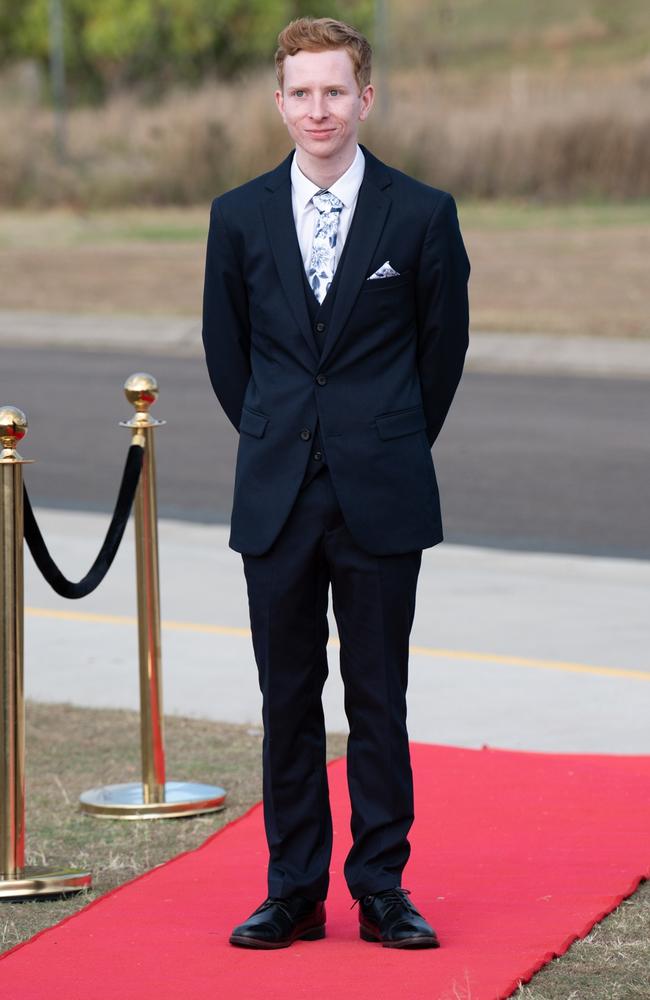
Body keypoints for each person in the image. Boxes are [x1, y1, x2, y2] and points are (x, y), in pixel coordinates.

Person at [202, 16, 470, 950]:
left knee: (378, 699)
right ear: (279, 103)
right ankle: (293, 890)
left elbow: (442, 354)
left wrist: (383, 440)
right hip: (276, 490)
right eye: (301, 92)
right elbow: (227, 354)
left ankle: (382, 889)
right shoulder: (235, 216)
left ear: (367, 96)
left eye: (335, 90)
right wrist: (287, 437)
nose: (319, 109)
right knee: (286, 699)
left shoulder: (421, 213)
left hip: (382, 488)